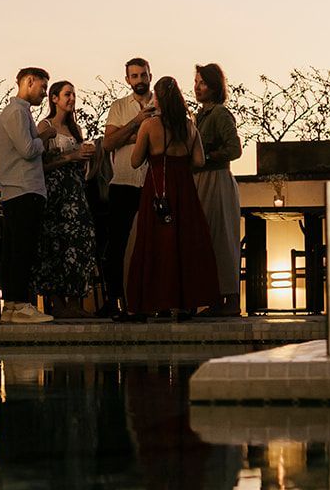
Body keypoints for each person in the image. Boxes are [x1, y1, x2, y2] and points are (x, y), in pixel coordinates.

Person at [126, 75, 218, 318]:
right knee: (184, 243)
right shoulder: (190, 126)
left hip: (158, 189)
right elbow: (199, 160)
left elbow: (135, 161)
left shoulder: (149, 126)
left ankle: (159, 303)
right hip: (184, 190)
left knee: (156, 243)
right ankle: (185, 302)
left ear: (158, 98)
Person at [0, 66, 55, 323]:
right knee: (22, 250)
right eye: (43, 87)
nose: (44, 93)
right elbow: (28, 149)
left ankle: (11, 305)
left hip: (18, 190)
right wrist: (45, 136)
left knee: (15, 249)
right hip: (23, 189)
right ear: (29, 81)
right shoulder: (17, 111)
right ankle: (20, 305)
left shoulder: (18, 112)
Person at [35, 80, 98, 319]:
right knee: (56, 243)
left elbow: (81, 161)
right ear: (54, 98)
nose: (72, 98)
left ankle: (75, 302)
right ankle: (58, 303)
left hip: (76, 190)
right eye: (67, 94)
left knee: (82, 239)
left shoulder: (76, 130)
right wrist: (70, 156)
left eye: (74, 94)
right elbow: (40, 163)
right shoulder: (46, 126)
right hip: (55, 192)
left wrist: (87, 158)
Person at [101, 57, 156, 318]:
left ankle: (154, 301)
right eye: (134, 76)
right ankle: (115, 300)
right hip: (123, 183)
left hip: (153, 183)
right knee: (117, 246)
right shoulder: (119, 107)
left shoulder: (162, 105)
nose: (139, 80)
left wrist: (131, 138)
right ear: (127, 80)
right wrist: (136, 124)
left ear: (150, 76)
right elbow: (109, 143)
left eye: (143, 75)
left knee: (154, 244)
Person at [193, 62, 243, 316]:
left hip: (217, 179)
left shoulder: (220, 114)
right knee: (208, 240)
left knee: (223, 238)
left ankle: (231, 299)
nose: (197, 87)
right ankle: (214, 298)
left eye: (202, 82)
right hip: (201, 180)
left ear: (214, 86)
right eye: (196, 82)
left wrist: (207, 157)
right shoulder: (199, 116)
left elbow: (235, 149)